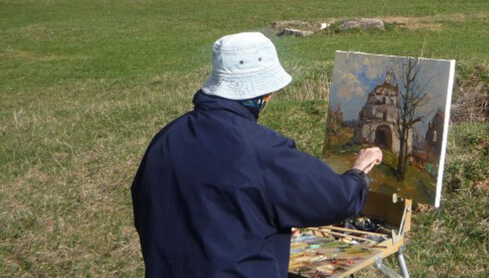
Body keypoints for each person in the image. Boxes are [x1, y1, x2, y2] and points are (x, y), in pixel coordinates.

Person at [131, 32, 382, 278]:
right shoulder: (262, 150)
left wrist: (260, 221)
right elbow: (336, 198)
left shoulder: (167, 137)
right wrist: (358, 174)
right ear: (264, 93)